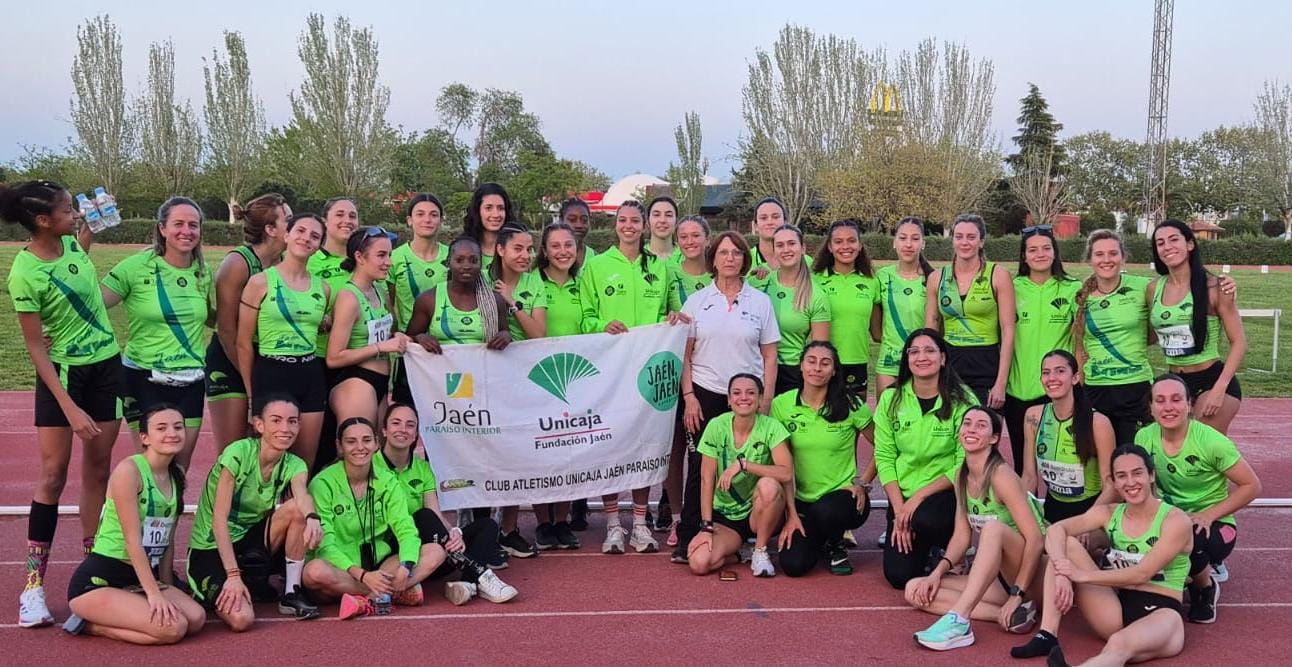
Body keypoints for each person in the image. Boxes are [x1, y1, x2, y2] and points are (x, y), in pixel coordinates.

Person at [3, 180, 123, 628]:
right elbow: (36, 347)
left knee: (98, 471)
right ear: (41, 220)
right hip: (63, 377)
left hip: (107, 368)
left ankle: (94, 574)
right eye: (67, 210)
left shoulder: (73, 245)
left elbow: (79, 259)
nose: (74, 214)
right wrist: (69, 408)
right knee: (52, 476)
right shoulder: (25, 272)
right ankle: (33, 586)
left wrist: (95, 222)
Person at [1010, 445, 1192, 667]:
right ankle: (1047, 634)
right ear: (1114, 482)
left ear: (1151, 475)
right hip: (1115, 608)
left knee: (1119, 644)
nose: (1130, 482)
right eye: (1121, 476)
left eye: (1137, 473)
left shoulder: (1175, 520)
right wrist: (1061, 572)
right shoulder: (1108, 513)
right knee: (1067, 545)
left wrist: (1079, 575)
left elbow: (1141, 574)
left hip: (1163, 613)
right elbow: (1056, 530)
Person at [578, 200, 684, 555]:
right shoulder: (596, 266)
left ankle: (640, 523)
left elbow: (676, 310)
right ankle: (612, 524)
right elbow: (584, 316)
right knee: (612, 446)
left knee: (644, 446)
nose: (628, 226)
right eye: (622, 220)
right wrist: (599, 325)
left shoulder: (661, 267)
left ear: (644, 226)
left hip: (649, 371)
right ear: (615, 225)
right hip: (610, 371)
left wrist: (673, 318)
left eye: (634, 221)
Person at [403, 237, 511, 569]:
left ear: (481, 264)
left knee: (481, 459)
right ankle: (442, 531)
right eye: (460, 260)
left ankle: (482, 533)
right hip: (442, 399)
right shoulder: (430, 300)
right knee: (446, 461)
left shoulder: (494, 301)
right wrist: (421, 338)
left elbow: (506, 335)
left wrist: (506, 337)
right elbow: (407, 339)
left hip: (482, 398)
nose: (466, 266)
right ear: (448, 263)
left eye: (473, 260)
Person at [675, 231, 780, 563]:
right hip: (706, 392)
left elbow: (770, 357)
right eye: (723, 253)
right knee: (700, 467)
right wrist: (689, 396)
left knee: (753, 464)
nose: (730, 258)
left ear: (744, 259)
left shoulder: (760, 302)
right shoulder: (697, 302)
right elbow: (685, 355)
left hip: (747, 397)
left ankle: (750, 533)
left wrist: (765, 401)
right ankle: (692, 532)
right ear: (714, 259)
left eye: (736, 253)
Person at [906, 406, 1047, 651]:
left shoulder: (1001, 476)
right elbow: (962, 537)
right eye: (967, 423)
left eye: (981, 426)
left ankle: (960, 620)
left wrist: (1017, 592)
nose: (971, 429)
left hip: (1032, 575)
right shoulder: (963, 474)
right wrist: (936, 573)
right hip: (1001, 577)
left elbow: (1036, 539)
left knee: (993, 529)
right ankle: (1010, 615)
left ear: (994, 438)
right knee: (915, 589)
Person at [63, 406, 205, 644]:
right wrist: (154, 594)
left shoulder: (175, 475)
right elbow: (132, 540)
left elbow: (167, 539)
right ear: (145, 438)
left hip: (138, 578)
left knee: (196, 618)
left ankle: (133, 603)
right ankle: (91, 624)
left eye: (178, 427)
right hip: (100, 581)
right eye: (162, 428)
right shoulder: (129, 472)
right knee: (173, 629)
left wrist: (167, 585)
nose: (172, 433)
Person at [1133, 374, 1261, 624]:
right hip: (1170, 517)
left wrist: (1208, 514)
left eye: (1176, 399)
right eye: (1160, 400)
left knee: (1189, 536)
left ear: (1190, 404)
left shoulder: (1212, 442)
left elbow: (1252, 486)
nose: (1168, 407)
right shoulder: (1143, 438)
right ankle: (1171, 580)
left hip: (1213, 523)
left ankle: (1204, 586)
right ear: (1150, 407)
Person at [187, 396, 322, 628]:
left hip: (249, 543)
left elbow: (302, 495)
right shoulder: (238, 453)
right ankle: (215, 586)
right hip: (211, 548)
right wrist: (232, 575)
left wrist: (312, 518)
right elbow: (219, 520)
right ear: (259, 425)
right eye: (276, 421)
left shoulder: (294, 464)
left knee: (297, 510)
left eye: (292, 422)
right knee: (242, 620)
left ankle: (291, 594)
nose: (285, 428)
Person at [101, 197, 212, 472]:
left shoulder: (202, 272)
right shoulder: (135, 267)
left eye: (193, 225)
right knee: (153, 468)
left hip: (192, 381)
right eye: (178, 224)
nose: (187, 231)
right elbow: (94, 305)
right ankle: (136, 517)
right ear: (162, 228)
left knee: (179, 470)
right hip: (144, 377)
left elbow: (212, 317)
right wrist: (54, 329)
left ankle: (168, 518)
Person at [377, 404, 518, 604]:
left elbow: (435, 512)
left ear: (416, 433)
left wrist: (453, 534)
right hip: (396, 549)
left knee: (488, 525)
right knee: (423, 517)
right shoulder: (372, 467)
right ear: (384, 430)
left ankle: (466, 584)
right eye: (396, 423)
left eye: (410, 425)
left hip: (431, 549)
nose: (403, 429)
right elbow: (426, 517)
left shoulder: (423, 468)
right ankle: (482, 576)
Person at [874, 329, 977, 589]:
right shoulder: (890, 398)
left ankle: (949, 547)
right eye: (914, 351)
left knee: (925, 518)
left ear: (942, 358)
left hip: (945, 493)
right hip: (904, 498)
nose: (922, 357)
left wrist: (918, 498)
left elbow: (964, 462)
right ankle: (926, 547)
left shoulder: (962, 400)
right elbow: (884, 456)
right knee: (899, 577)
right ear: (907, 359)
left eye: (930, 350)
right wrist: (899, 510)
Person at [303, 417, 435, 618]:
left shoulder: (388, 480)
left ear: (376, 444)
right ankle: (390, 593)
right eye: (351, 441)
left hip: (378, 566)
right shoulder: (322, 483)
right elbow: (325, 544)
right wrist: (363, 576)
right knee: (314, 572)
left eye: (366, 440)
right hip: (342, 569)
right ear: (340, 446)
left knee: (434, 551)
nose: (360, 447)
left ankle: (367, 601)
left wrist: (406, 565)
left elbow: (406, 528)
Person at [236, 213, 330, 468]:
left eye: (314, 236)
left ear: (320, 245)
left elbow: (320, 324)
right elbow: (243, 343)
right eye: (300, 231)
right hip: (271, 372)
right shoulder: (260, 282)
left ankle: (296, 508)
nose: (306, 238)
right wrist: (252, 395)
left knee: (303, 462)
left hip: (310, 374)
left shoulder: (323, 288)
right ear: (287, 235)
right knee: (267, 460)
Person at [774, 341, 874, 577]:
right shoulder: (782, 405)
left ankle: (835, 542)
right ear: (801, 366)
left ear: (834, 370)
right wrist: (790, 514)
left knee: (826, 512)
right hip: (802, 501)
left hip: (842, 499)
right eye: (811, 361)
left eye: (825, 363)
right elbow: (782, 464)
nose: (817, 368)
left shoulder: (853, 405)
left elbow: (884, 447)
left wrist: (864, 483)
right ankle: (820, 540)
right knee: (794, 566)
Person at [688, 373, 793, 578]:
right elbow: (706, 479)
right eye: (736, 393)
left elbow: (786, 473)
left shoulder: (772, 427)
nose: (743, 398)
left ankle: (760, 550)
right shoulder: (716, 426)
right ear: (728, 400)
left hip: (760, 510)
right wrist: (706, 527)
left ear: (760, 399)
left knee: (769, 485)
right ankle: (741, 553)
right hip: (727, 516)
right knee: (699, 564)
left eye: (750, 393)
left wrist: (744, 465)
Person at [1148, 220, 1247, 434]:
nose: (1167, 247)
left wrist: (1219, 389)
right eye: (1160, 243)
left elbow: (1239, 342)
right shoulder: (1153, 288)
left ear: (1190, 244)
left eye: (1174, 240)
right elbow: (1150, 335)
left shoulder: (1214, 287)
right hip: (1176, 381)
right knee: (1174, 450)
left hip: (1211, 379)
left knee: (1204, 451)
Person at [206, 193, 287, 450]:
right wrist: (252, 379)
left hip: (266, 359)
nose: (296, 227)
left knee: (263, 449)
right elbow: (227, 331)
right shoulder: (238, 263)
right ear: (271, 229)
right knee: (234, 453)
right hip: (230, 362)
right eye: (290, 220)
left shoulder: (285, 263)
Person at [490, 221, 547, 558]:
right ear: (500, 249)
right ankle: (479, 527)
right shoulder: (481, 279)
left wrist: (511, 303)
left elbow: (538, 334)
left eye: (529, 249)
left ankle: (509, 529)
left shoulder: (533, 283)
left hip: (523, 380)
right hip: (487, 378)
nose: (526, 255)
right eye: (518, 248)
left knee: (516, 452)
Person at [1005, 225, 1082, 468]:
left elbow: (1080, 338)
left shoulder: (1072, 288)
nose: (1040, 254)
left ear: (1055, 252)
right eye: (1033, 249)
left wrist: (1079, 376)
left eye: (1046, 248)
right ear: (1024, 256)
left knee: (1065, 461)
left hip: (1057, 390)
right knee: (1023, 464)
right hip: (1018, 390)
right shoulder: (1011, 288)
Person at [658, 214, 713, 542]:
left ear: (707, 238)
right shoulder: (667, 273)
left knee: (706, 447)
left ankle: (709, 514)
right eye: (684, 237)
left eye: (696, 235)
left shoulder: (722, 270)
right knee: (675, 447)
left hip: (709, 372)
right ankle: (678, 517)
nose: (690, 241)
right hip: (674, 369)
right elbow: (658, 314)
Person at [925, 214, 1016, 408]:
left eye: (971, 237)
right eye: (959, 237)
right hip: (950, 362)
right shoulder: (936, 278)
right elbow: (931, 327)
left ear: (981, 241)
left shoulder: (998, 275)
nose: (964, 242)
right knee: (949, 432)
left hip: (986, 362)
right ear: (953, 240)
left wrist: (1001, 383)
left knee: (984, 431)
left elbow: (1008, 331)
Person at [1073, 230, 1153, 447]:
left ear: (1123, 257)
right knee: (1098, 464)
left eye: (1112, 253)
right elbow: (1079, 346)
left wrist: (1221, 282)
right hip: (1096, 389)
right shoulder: (1082, 297)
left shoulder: (1144, 286)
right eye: (1099, 254)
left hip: (1135, 388)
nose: (1106, 260)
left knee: (1135, 461)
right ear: (1090, 259)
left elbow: (1180, 285)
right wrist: (1081, 381)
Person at [534, 222, 585, 549]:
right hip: (539, 377)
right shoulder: (534, 284)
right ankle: (542, 522)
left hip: (575, 378)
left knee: (571, 451)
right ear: (545, 251)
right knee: (540, 450)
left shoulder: (584, 284)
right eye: (556, 246)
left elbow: (593, 320)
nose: (563, 251)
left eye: (569, 245)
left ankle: (563, 520)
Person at [326, 226, 409, 428]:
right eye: (381, 255)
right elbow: (334, 358)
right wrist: (382, 347)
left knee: (375, 451)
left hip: (381, 383)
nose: (388, 262)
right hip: (356, 381)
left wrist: (398, 337)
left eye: (389, 255)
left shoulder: (380, 290)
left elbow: (387, 332)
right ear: (360, 257)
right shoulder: (349, 297)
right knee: (359, 451)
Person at [1022, 351, 1116, 526]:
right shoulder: (1033, 416)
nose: (1052, 378)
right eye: (1046, 372)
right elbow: (1028, 476)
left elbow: (1110, 484)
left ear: (1075, 378)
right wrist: (1023, 515)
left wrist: (1088, 521)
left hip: (1089, 509)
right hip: (1053, 507)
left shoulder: (1098, 423)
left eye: (1060, 371)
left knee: (1067, 547)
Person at [813, 219, 880, 400]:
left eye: (851, 240)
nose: (846, 246)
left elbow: (877, 333)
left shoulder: (872, 281)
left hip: (857, 362)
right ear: (829, 246)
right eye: (838, 241)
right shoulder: (815, 280)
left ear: (859, 246)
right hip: (822, 363)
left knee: (855, 420)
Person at [761, 225, 831, 395]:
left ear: (803, 248)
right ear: (774, 250)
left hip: (791, 373)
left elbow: (819, 349)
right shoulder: (758, 284)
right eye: (780, 245)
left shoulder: (816, 295)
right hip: (756, 368)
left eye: (791, 243)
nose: (786, 249)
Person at [875, 217, 934, 394]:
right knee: (886, 418)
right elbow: (876, 331)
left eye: (915, 239)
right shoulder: (881, 276)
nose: (908, 244)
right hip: (889, 363)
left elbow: (939, 327)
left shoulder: (933, 279)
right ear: (894, 242)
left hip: (923, 361)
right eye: (902, 238)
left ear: (923, 243)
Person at [308, 197, 360, 358]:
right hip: (318, 354)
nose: (347, 220)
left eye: (352, 216)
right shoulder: (308, 260)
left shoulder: (367, 261)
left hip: (360, 356)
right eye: (339, 215)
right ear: (325, 221)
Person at [389, 193, 449, 331]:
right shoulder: (394, 258)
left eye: (434, 215)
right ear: (410, 220)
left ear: (441, 220)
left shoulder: (453, 256)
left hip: (447, 344)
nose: (427, 220)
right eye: (420, 214)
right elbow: (388, 305)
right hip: (410, 344)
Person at [463, 183, 513, 270]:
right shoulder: (464, 247)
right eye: (488, 208)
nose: (496, 214)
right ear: (477, 211)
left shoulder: (517, 249)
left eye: (501, 208)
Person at [749, 197, 789, 274]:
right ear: (755, 225)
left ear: (785, 222)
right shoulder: (744, 261)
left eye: (776, 217)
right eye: (764, 218)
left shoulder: (804, 262)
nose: (770, 222)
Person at [557, 197, 596, 266]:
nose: (579, 225)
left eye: (584, 220)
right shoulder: (549, 257)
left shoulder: (595, 258)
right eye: (572, 220)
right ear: (561, 220)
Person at [647, 195, 681, 262]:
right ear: (648, 222)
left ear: (676, 222)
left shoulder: (687, 255)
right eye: (656, 215)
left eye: (668, 215)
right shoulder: (636, 255)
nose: (662, 220)